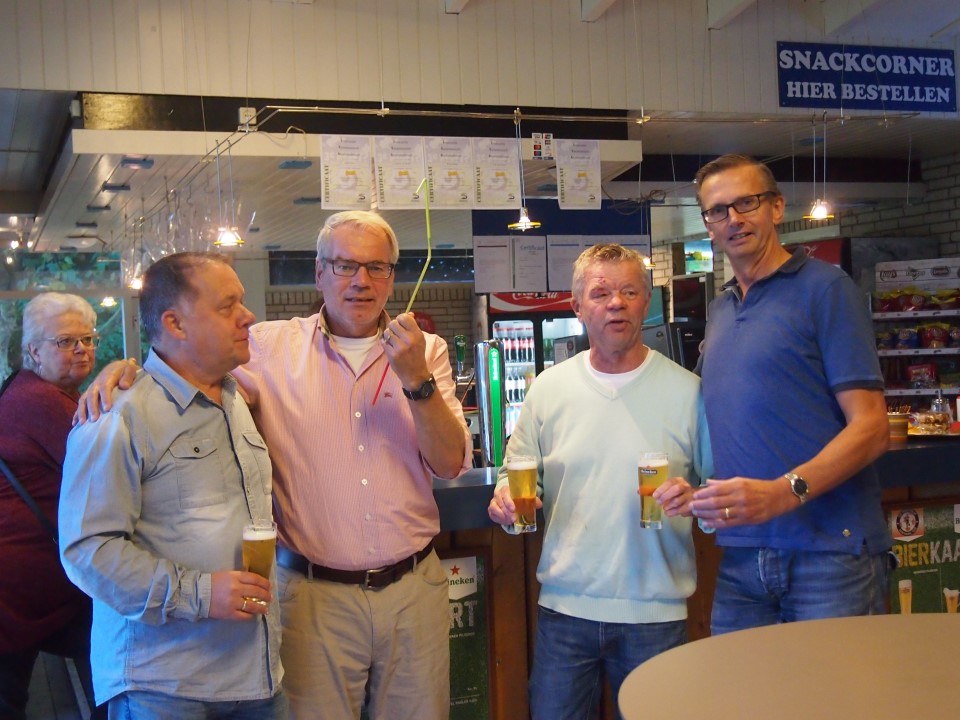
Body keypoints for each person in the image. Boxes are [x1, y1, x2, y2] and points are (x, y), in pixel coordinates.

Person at [79, 211, 472, 720]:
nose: (361, 280)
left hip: (414, 587)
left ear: (392, 277)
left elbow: (451, 464)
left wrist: (416, 379)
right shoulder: (265, 347)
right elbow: (189, 363)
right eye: (345, 265)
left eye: (377, 267)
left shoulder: (425, 351)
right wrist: (129, 369)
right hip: (312, 597)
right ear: (319, 272)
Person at [487, 243, 712, 720]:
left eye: (629, 291)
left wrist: (696, 499)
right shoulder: (547, 389)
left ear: (646, 302)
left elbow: (719, 494)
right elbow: (515, 477)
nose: (616, 303)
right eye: (601, 293)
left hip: (657, 613)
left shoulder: (688, 392)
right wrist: (505, 500)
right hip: (565, 614)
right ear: (577, 306)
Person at [59, 253, 287, 718]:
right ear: (175, 324)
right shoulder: (117, 414)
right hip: (164, 685)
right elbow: (88, 551)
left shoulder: (235, 397)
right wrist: (199, 593)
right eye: (227, 306)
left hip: (255, 674)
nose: (248, 316)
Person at [688, 154, 892, 634]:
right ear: (708, 225)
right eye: (718, 210)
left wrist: (786, 492)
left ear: (776, 208)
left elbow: (872, 427)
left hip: (831, 554)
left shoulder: (826, 289)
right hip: (743, 556)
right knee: (740, 685)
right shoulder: (720, 310)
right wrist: (689, 487)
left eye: (746, 203)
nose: (733, 219)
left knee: (833, 684)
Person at [0, 293, 105, 720]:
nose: (81, 349)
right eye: (65, 341)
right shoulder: (44, 402)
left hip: (30, 591)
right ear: (34, 351)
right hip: (21, 591)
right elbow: (116, 473)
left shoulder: (25, 391)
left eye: (88, 339)